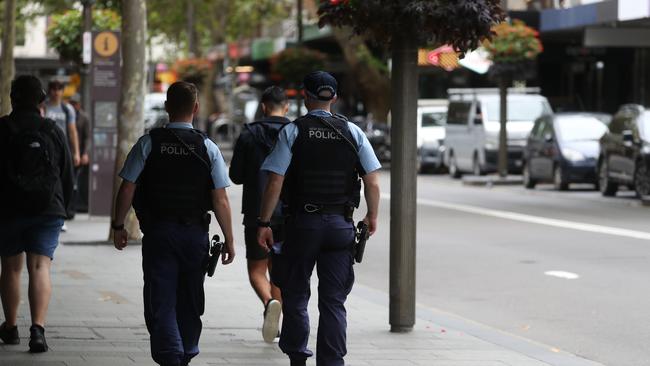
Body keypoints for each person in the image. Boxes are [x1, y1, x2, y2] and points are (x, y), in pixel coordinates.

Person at [257, 71, 381, 366]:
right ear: (334, 98)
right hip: (341, 226)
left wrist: (263, 223)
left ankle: (298, 356)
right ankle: (332, 361)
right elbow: (372, 182)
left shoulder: (293, 131)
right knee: (334, 301)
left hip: (303, 225)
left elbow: (275, 181)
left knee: (297, 295)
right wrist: (372, 215)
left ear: (305, 96)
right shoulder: (353, 132)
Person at [112, 81, 235, 366]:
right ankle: (186, 352)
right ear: (196, 108)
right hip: (195, 235)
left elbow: (127, 188)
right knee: (191, 299)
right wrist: (229, 239)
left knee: (161, 298)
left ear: (167, 107)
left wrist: (119, 225)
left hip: (159, 233)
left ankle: (170, 356)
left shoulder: (148, 143)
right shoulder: (208, 147)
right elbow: (221, 200)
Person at [0, 75, 75, 353]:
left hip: (8, 208)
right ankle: (38, 330)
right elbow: (67, 172)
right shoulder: (52, 130)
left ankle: (10, 327)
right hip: (47, 208)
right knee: (40, 266)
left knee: (11, 267)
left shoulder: (3, 128)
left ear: (13, 98)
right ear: (42, 99)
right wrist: (65, 206)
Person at [229, 86, 289, 343]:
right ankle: (278, 312)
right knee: (280, 271)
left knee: (257, 269)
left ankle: (269, 303)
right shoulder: (294, 132)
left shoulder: (249, 134)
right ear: (286, 107)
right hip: (287, 214)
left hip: (256, 212)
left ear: (263, 107)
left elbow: (236, 176)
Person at [44, 80, 80, 168]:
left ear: (62, 91)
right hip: (46, 147)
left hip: (63, 147)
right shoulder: (43, 107)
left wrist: (76, 153)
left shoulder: (68, 109)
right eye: (53, 88)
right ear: (49, 90)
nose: (56, 92)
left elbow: (73, 132)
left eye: (59, 89)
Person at [68, 94, 91, 213]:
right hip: (68, 152)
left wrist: (85, 153)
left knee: (76, 181)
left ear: (79, 105)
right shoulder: (66, 114)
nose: (73, 106)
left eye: (75, 104)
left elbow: (87, 137)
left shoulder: (84, 118)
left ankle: (75, 207)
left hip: (79, 154)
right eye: (71, 103)